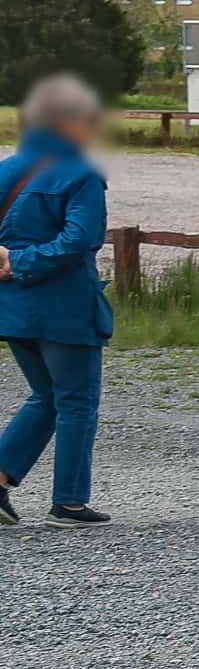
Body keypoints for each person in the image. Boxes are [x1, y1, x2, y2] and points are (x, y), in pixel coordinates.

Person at [0, 73, 115, 527]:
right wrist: (23, 261)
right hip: (65, 308)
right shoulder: (82, 173)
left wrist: (8, 263)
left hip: (11, 308)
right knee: (76, 401)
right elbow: (81, 240)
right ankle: (68, 502)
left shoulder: (6, 169)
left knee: (46, 395)